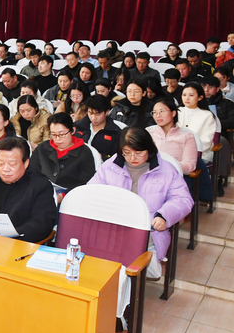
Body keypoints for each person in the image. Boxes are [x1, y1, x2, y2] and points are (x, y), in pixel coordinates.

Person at [88, 127, 193, 279]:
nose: (132, 158)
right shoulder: (110, 167)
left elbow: (183, 199)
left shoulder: (166, 170)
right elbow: (91, 193)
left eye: (138, 153)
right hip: (113, 227)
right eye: (127, 152)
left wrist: (163, 216)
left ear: (148, 149)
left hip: (148, 230)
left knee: (118, 260)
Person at [29, 113, 96, 192]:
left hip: (71, 194)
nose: (58, 139)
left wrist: (64, 194)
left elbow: (86, 182)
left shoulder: (84, 153)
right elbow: (32, 172)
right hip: (41, 191)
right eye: (53, 134)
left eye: (62, 134)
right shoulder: (42, 148)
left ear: (72, 131)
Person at [148, 99, 198, 175]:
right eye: (155, 112)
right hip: (149, 175)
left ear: (173, 113)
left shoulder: (187, 137)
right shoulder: (149, 133)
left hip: (174, 176)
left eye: (162, 111)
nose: (158, 115)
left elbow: (189, 166)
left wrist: (165, 166)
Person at [74, 94, 121, 160]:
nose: (93, 118)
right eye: (90, 113)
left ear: (107, 112)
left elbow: (118, 157)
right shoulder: (77, 127)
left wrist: (103, 157)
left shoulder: (115, 133)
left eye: (98, 114)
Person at [178, 82, 216, 162]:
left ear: (200, 97)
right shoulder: (177, 112)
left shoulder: (207, 115)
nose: (187, 98)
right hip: (176, 151)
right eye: (184, 95)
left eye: (191, 95)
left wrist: (187, 149)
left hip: (199, 154)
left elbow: (206, 141)